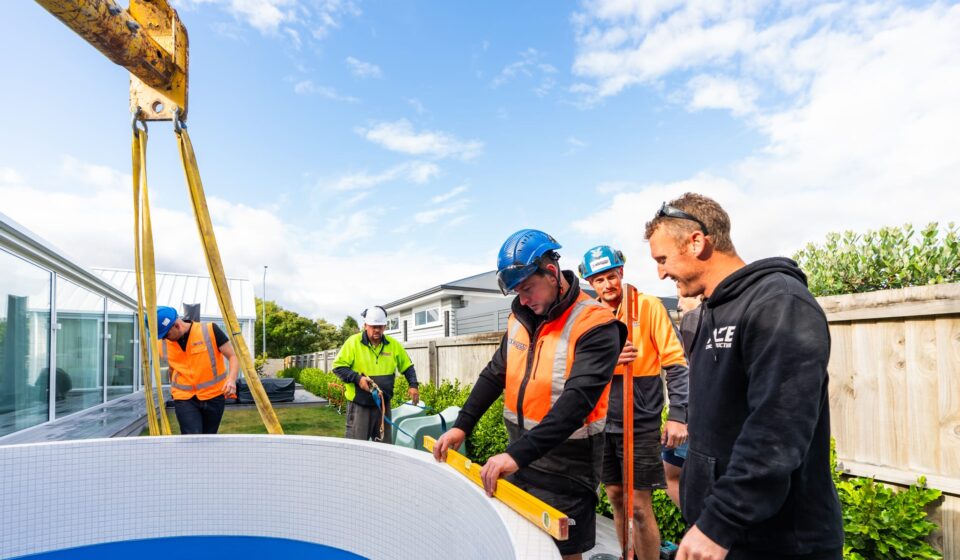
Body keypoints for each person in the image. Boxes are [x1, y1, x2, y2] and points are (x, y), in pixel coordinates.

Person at [644, 193, 842, 560]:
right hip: (730, 535)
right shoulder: (708, 313)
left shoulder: (779, 302)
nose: (660, 272)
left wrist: (720, 522)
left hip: (781, 542)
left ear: (697, 241)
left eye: (662, 259)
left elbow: (777, 429)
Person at [433, 229, 625, 560]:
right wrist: (462, 425)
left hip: (568, 463)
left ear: (551, 273)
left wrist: (517, 455)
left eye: (526, 288)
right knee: (527, 545)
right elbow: (495, 374)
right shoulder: (521, 317)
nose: (522, 299)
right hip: (521, 453)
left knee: (562, 552)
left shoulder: (595, 323)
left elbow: (577, 402)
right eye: (517, 291)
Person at [579, 245, 689, 560]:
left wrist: (679, 415)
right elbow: (577, 366)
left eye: (611, 277)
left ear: (621, 273)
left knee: (639, 506)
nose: (606, 286)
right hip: (601, 422)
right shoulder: (590, 316)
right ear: (591, 282)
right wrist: (610, 359)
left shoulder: (648, 307)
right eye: (598, 280)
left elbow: (677, 363)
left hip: (639, 422)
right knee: (615, 497)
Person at [332, 305, 420, 442]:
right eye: (373, 326)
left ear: (385, 326)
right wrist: (358, 379)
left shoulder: (393, 345)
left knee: (384, 449)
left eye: (381, 326)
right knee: (356, 448)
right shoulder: (353, 343)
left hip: (383, 407)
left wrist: (413, 385)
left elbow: (408, 367)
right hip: (359, 406)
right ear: (365, 325)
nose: (377, 330)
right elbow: (338, 367)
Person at [156, 305, 238, 434]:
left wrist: (231, 380)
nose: (164, 338)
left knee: (208, 438)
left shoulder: (210, 330)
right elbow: (172, 368)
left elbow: (232, 356)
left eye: (166, 334)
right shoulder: (162, 344)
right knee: (191, 438)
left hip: (214, 396)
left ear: (176, 325)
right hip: (184, 398)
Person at [661, 291, 702, 508]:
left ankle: (701, 529)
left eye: (682, 296)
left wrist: (681, 417)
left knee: (671, 474)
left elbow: (685, 371)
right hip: (691, 415)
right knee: (670, 472)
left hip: (692, 417)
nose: (678, 302)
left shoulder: (693, 320)